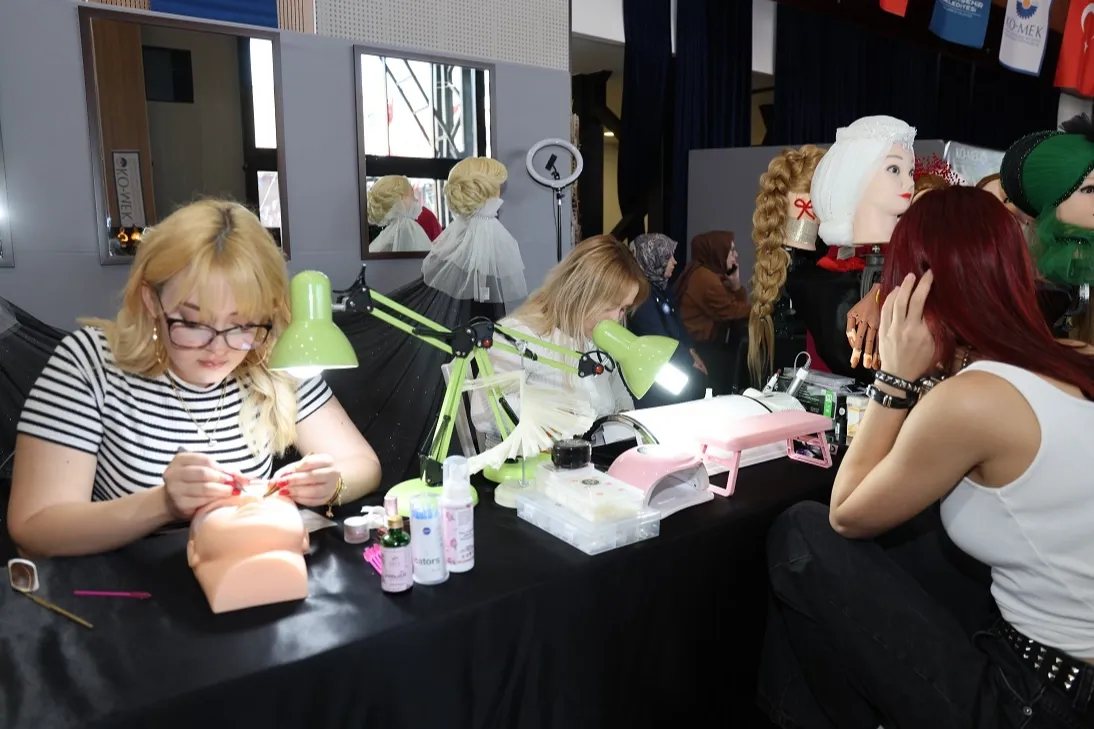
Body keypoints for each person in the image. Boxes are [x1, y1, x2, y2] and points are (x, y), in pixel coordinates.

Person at [759, 186, 1094, 729]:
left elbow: (846, 513)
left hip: (1035, 698)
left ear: (914, 291)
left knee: (803, 535)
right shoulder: (1075, 358)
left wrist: (893, 380)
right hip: (1063, 677)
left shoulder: (972, 400)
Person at [7, 200, 382, 558]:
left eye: (241, 324)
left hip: (246, 573)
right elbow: (34, 528)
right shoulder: (91, 363)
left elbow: (363, 463)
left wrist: (331, 484)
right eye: (192, 322)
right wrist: (162, 504)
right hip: (134, 587)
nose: (218, 347)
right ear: (152, 301)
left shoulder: (271, 354)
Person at [470, 235, 647, 445]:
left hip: (593, 455)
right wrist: (561, 416)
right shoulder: (522, 334)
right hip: (536, 459)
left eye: (623, 309)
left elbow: (618, 394)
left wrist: (626, 425)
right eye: (611, 306)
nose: (616, 319)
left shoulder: (597, 341)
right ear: (582, 294)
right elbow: (484, 412)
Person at [626, 233, 707, 407]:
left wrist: (691, 351)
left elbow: (677, 323)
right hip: (655, 376)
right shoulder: (641, 297)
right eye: (668, 256)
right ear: (652, 258)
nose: (674, 262)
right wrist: (690, 361)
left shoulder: (661, 288)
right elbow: (658, 336)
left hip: (674, 363)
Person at [675, 231, 748, 393]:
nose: (736, 255)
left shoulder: (704, 273)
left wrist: (734, 284)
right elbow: (732, 311)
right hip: (701, 351)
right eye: (731, 250)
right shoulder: (706, 279)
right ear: (717, 251)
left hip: (698, 347)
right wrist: (762, 309)